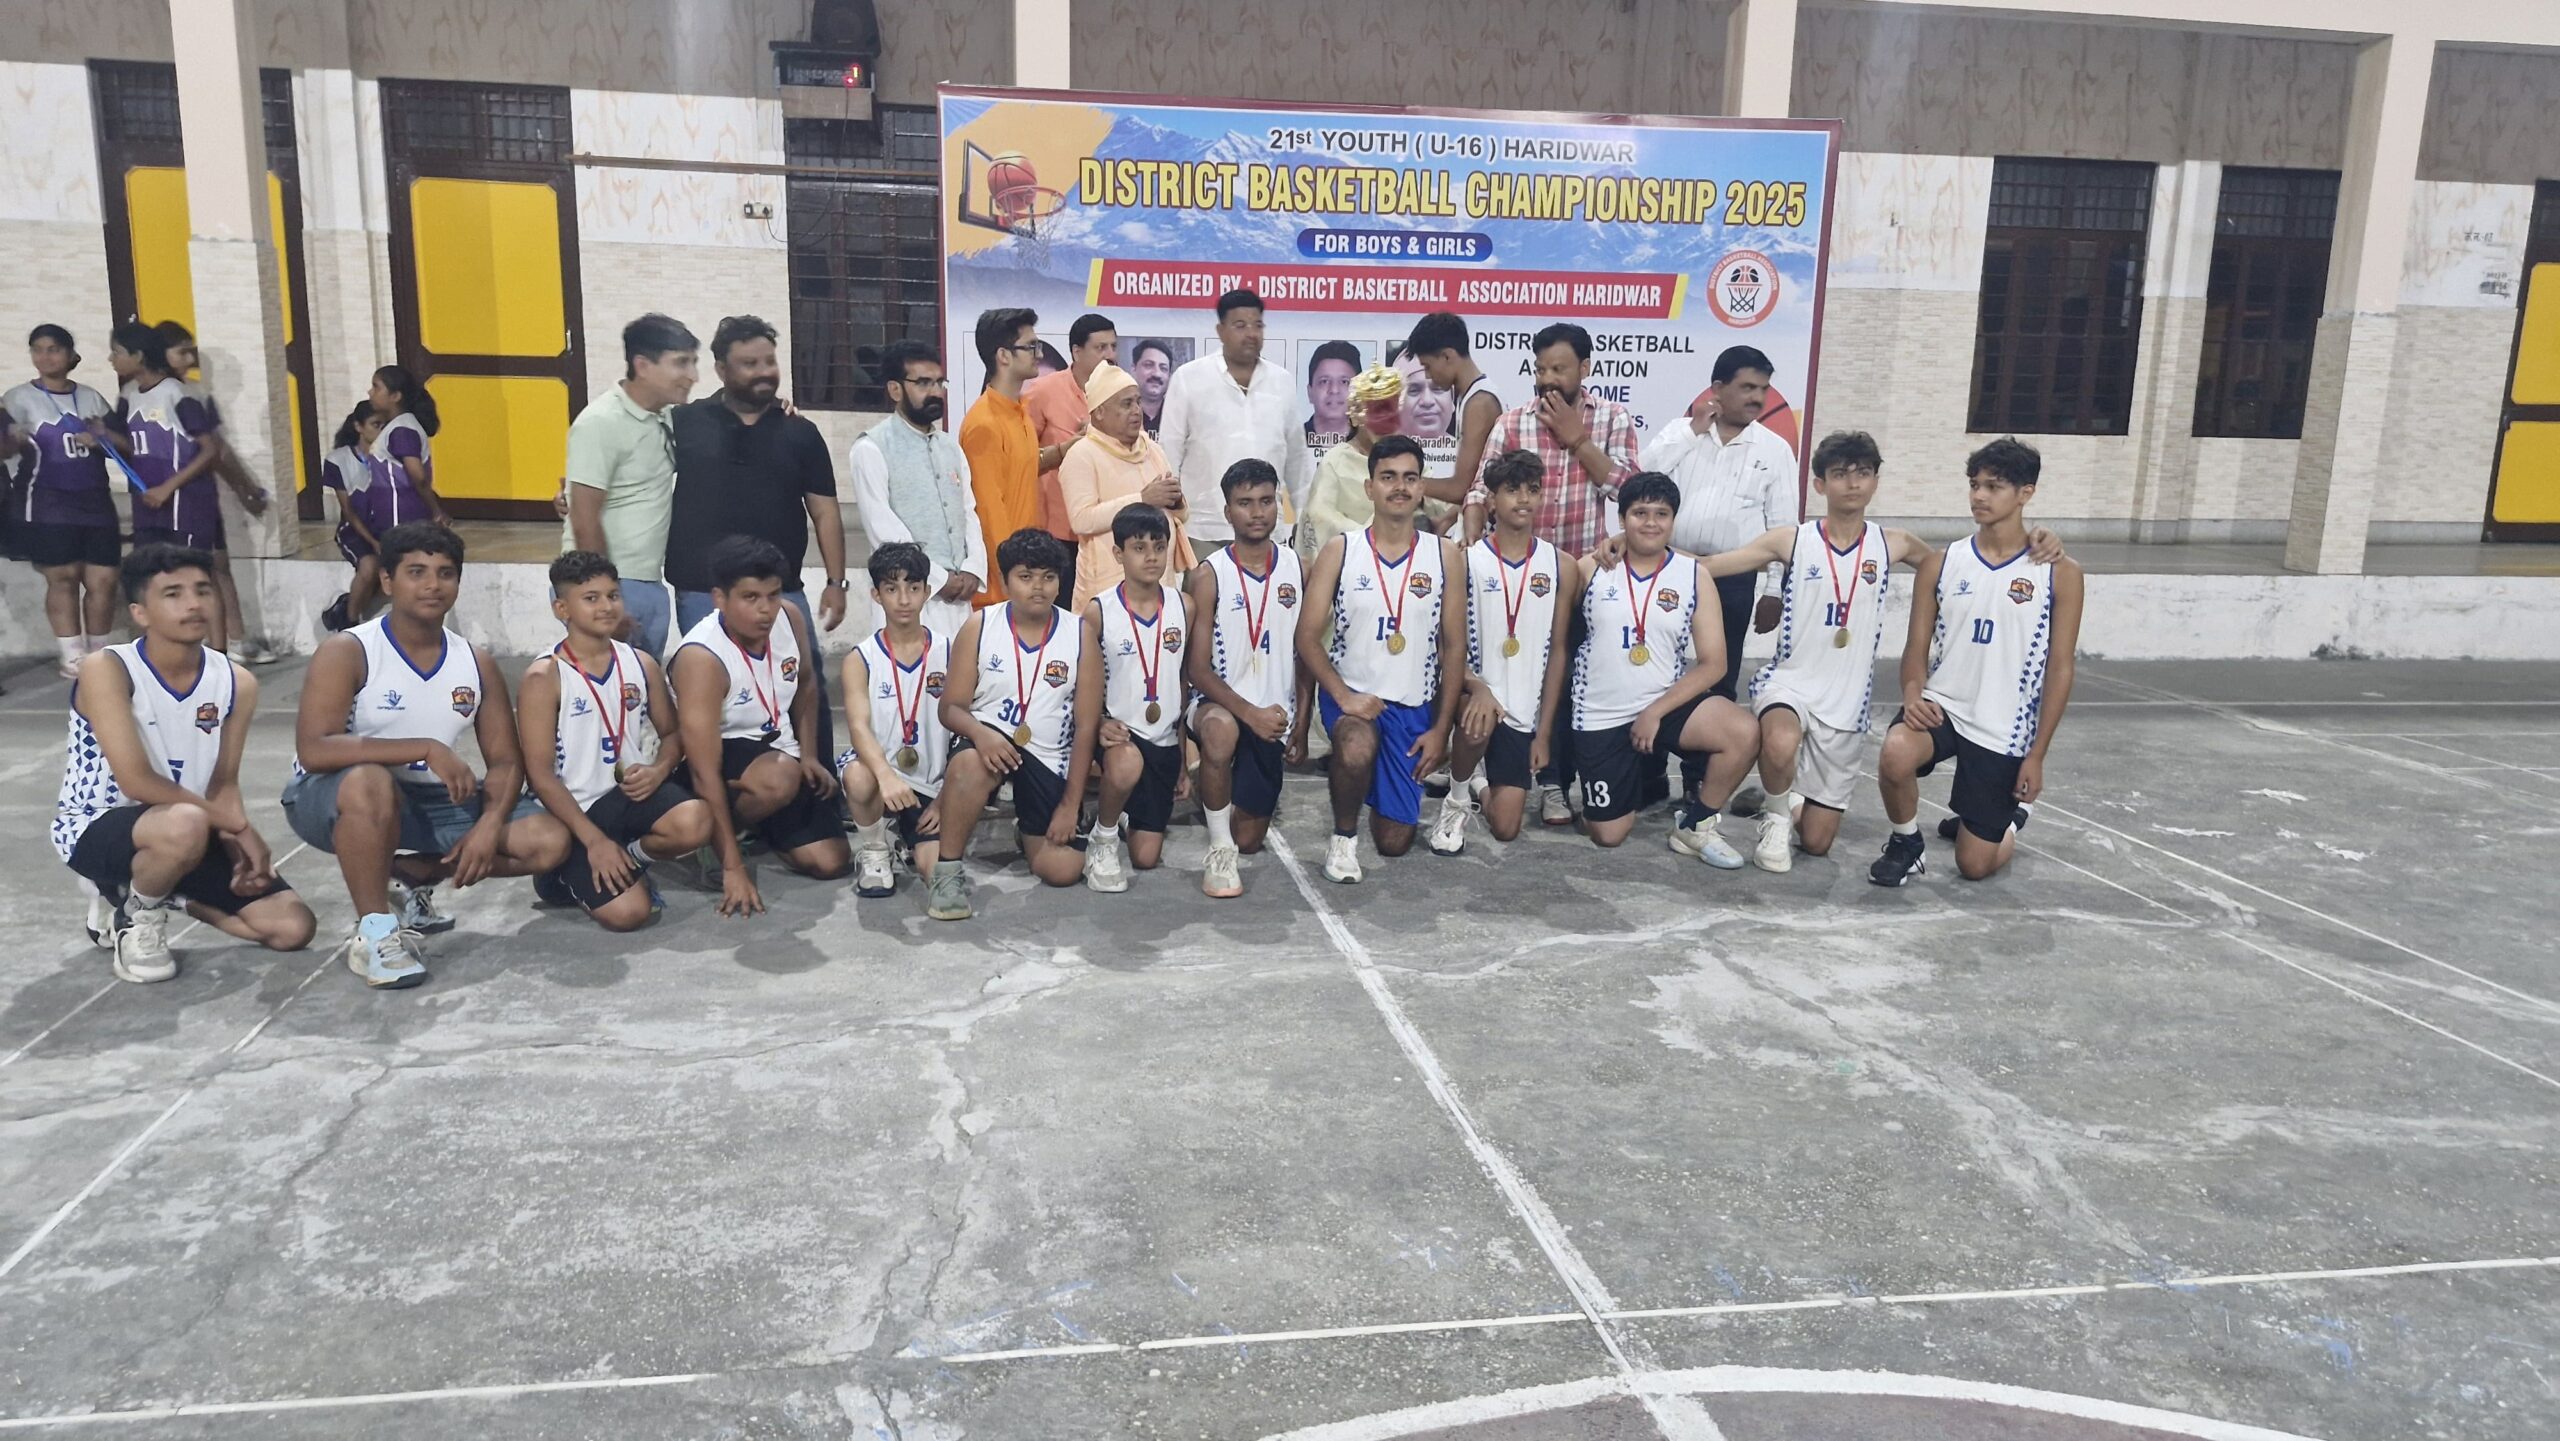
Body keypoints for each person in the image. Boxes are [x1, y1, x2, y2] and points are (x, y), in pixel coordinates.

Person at [1706, 431, 2065, 871]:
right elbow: (1711, 565)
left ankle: (1786, 797)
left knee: (1822, 842)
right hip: (1797, 685)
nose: (1852, 483)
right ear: (1819, 484)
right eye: (1840, 474)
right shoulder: (1794, 539)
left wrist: (2040, 537)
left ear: (1876, 481)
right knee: (1788, 741)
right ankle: (1788, 815)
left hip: (1856, 707)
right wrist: (1647, 553)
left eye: (1862, 473)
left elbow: (1972, 573)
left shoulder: (1897, 544)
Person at [285, 523, 569, 989]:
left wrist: (489, 825)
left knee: (548, 841)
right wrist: (425, 747)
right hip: (329, 798)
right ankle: (375, 935)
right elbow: (315, 749)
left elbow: (505, 761)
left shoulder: (474, 661)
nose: (433, 585)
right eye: (416, 572)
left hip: (427, 798)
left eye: (445, 573)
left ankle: (414, 873)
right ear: (387, 581)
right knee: (370, 781)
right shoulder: (349, 650)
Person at [55, 545, 315, 983]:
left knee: (292, 928)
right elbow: (136, 781)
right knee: (185, 822)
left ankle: (161, 894)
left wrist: (231, 838)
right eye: (173, 594)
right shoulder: (107, 668)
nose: (194, 604)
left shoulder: (236, 682)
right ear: (140, 612)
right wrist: (239, 829)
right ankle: (137, 916)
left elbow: (223, 785)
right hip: (95, 824)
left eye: (203, 591)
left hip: (189, 827)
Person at [1872, 438, 2085, 886]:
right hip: (1944, 706)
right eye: (1974, 485)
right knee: (1895, 751)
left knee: (1974, 866)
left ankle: (2011, 820)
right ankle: (1906, 842)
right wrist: (1912, 694)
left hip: (2003, 726)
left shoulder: (2060, 573)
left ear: (2026, 493)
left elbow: (2060, 668)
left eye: (1993, 486)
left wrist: (2037, 755)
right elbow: (1915, 647)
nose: (1979, 496)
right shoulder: (1941, 563)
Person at [666, 314, 846, 763]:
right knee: (715, 688)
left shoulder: (800, 431)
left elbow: (824, 510)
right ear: (721, 369)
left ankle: (819, 781)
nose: (764, 372)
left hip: (780, 591)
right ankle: (723, 786)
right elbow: (633, 474)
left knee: (805, 683)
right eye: (750, 363)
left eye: (769, 361)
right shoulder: (684, 423)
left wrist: (836, 582)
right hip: (702, 590)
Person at [1297, 435, 1467, 883]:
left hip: (1412, 706)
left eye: (1410, 478)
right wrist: (1343, 697)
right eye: (1388, 477)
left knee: (1394, 843)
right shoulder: (1341, 550)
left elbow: (1454, 647)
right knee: (1355, 745)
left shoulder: (1445, 556)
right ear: (1369, 487)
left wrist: (1441, 730)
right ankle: (1343, 838)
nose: (1400, 487)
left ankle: (1374, 775)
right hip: (1352, 698)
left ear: (1421, 488)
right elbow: (1307, 638)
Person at [1568, 473, 1761, 856]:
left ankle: (1696, 824)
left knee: (1743, 731)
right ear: (1622, 519)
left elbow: (1714, 664)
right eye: (1640, 513)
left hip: (1663, 702)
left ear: (1673, 519)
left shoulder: (1693, 575)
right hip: (1600, 712)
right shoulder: (1590, 569)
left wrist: (1655, 711)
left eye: (1662, 513)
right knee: (1608, 834)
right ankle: (1627, 785)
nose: (1651, 522)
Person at [518, 551, 710, 931]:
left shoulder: (641, 663)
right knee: (629, 915)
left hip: (626, 796)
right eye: (591, 598)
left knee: (697, 821)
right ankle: (557, 876)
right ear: (562, 609)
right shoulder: (545, 677)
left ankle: (632, 856)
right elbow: (540, 775)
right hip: (572, 811)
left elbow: (673, 734)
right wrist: (594, 841)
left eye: (613, 595)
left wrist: (659, 770)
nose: (607, 606)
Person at [671, 535, 852, 916]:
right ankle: (715, 840)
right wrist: (733, 868)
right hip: (720, 759)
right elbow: (702, 770)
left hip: (779, 755)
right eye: (750, 598)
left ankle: (758, 823)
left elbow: (806, 685)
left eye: (772, 595)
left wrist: (810, 755)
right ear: (720, 598)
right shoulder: (702, 658)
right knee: (779, 778)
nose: (765, 609)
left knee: (831, 861)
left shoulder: (790, 616)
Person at [929, 529, 1101, 919]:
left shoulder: (1079, 634)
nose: (1038, 587)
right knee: (970, 764)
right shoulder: (980, 625)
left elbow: (1086, 728)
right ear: (1005, 582)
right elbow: (951, 708)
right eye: (1026, 577)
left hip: (1049, 754)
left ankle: (1028, 831)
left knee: (1063, 871)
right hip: (991, 741)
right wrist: (980, 734)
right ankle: (947, 872)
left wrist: (1070, 806)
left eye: (1048, 577)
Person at [1434, 450, 1577, 855]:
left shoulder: (1561, 566)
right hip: (1473, 696)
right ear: (1492, 500)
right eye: (1512, 490)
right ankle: (1456, 799)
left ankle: (1476, 779)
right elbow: (1445, 646)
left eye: (1532, 489)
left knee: (1506, 827)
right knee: (1478, 719)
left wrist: (1543, 734)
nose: (1523, 499)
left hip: (1522, 711)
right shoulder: (1466, 561)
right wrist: (1476, 686)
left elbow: (1558, 652)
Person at [1184, 459, 1306, 900]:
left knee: (1250, 839)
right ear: (1227, 511)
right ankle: (1220, 850)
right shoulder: (1208, 574)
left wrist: (1302, 724)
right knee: (1221, 732)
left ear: (1278, 505)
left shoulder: (1298, 567)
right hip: (1218, 705)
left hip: (1273, 718)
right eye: (1245, 503)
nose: (1257, 512)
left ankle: (1210, 783)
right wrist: (1249, 713)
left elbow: (1305, 655)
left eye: (1266, 501)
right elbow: (1197, 670)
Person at [111, 322, 268, 660]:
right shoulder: (128, 396)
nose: (112, 359)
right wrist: (101, 435)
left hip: (186, 502)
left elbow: (211, 448)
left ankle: (221, 652)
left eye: (118, 353)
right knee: (151, 574)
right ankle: (163, 649)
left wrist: (242, 488)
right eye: (182, 351)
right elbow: (130, 445)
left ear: (140, 355)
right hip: (149, 503)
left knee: (201, 573)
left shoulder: (181, 394)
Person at [566, 314, 698, 656]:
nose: (693, 376)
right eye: (681, 363)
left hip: (647, 580)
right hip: (614, 581)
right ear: (642, 365)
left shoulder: (663, 415)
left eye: (693, 363)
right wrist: (604, 598)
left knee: (641, 684)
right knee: (607, 684)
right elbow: (584, 519)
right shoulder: (600, 422)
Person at [837, 542, 954, 900]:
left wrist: (947, 798)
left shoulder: (950, 651)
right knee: (857, 775)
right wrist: (886, 777)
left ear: (927, 592)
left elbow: (965, 730)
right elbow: (858, 727)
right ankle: (874, 848)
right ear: (876, 595)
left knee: (937, 877)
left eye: (913, 587)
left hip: (933, 785)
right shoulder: (861, 658)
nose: (904, 599)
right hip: (880, 779)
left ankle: (904, 839)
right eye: (891, 588)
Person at [1081, 503, 1188, 893]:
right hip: (1120, 737)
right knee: (1126, 763)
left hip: (1163, 740)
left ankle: (1122, 811)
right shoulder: (1099, 612)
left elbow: (1183, 683)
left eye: (1159, 547)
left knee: (1146, 857)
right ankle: (1103, 837)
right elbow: (1082, 685)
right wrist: (1099, 724)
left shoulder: (1184, 606)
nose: (1151, 557)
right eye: (1139, 548)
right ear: (1118, 554)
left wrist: (1182, 757)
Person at [846, 340, 987, 635]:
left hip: (959, 598)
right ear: (895, 389)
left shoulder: (950, 446)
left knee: (963, 664)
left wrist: (973, 569)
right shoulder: (871, 448)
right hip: (908, 599)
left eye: (939, 382)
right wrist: (937, 578)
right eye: (923, 383)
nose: (935, 392)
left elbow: (968, 512)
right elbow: (882, 529)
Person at [7, 325, 123, 678]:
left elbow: (122, 445)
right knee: (63, 578)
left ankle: (99, 654)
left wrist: (102, 439)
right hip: (47, 502)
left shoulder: (90, 397)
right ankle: (72, 655)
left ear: (71, 355)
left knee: (104, 580)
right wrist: (12, 438)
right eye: (38, 349)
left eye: (54, 349)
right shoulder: (16, 399)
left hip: (96, 502)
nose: (45, 357)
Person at [1158, 290, 1313, 548]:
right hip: (1204, 531)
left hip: (1267, 533)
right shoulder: (1189, 378)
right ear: (1220, 331)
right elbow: (1168, 455)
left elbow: (1297, 461)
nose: (1251, 333)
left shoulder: (1281, 381)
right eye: (1240, 325)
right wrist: (1167, 524)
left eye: (1257, 325)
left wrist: (1306, 523)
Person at [1479, 323, 1637, 558]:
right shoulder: (1511, 423)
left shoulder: (1613, 417)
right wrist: (1473, 523)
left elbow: (1630, 493)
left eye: (1558, 370)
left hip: (1587, 564)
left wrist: (1580, 442)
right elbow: (1480, 491)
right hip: (1519, 564)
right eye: (1540, 370)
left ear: (1584, 368)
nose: (1547, 380)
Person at [1058, 361, 1193, 611]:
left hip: (1159, 584)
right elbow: (1081, 520)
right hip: (1107, 592)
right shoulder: (1082, 455)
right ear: (1099, 411)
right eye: (1126, 404)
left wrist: (1176, 502)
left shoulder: (1152, 449)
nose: (1137, 411)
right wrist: (1142, 499)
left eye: (1138, 402)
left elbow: (1181, 516)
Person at [960, 307, 1066, 607]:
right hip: (1002, 591)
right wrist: (1011, 582)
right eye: (1031, 346)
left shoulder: (1019, 412)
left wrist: (1066, 449)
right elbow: (989, 513)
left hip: (1024, 576)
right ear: (1003, 356)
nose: (1039, 354)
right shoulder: (984, 423)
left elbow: (1022, 468)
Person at [1024, 312, 1118, 598]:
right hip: (1056, 530)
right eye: (1101, 348)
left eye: (1113, 347)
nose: (1110, 355)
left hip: (1106, 529)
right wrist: (1068, 449)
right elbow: (1023, 458)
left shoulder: (1121, 391)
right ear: (1077, 352)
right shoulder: (1043, 391)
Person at [1298, 364, 1404, 564]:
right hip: (1350, 561)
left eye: (1390, 414)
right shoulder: (1336, 461)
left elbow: (1434, 504)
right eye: (1377, 414)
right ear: (1356, 417)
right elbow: (1319, 515)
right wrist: (1369, 538)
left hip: (1404, 559)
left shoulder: (1407, 459)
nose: (1384, 424)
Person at [1404, 313, 1504, 525]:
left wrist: (1405, 483)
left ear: (1447, 356)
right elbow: (1476, 483)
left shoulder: (1480, 404)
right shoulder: (1468, 396)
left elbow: (1461, 488)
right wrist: (1447, 519)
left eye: (1428, 367)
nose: (1428, 376)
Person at [318, 402, 387, 633]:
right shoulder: (338, 460)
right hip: (354, 529)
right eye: (376, 425)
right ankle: (349, 624)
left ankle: (345, 605)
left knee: (393, 575)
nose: (381, 431)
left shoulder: (389, 456)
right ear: (359, 427)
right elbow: (348, 510)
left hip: (386, 527)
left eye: (384, 425)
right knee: (369, 566)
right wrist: (373, 542)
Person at [369, 364, 451, 526]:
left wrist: (436, 511)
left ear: (395, 396)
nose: (370, 392)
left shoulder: (403, 431)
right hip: (391, 512)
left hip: (401, 514)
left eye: (376, 387)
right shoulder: (396, 426)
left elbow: (419, 477)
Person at [1302, 339, 1362, 449]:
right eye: (1324, 381)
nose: (1334, 390)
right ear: (1310, 392)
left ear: (1358, 391)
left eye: (1344, 382)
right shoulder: (1294, 440)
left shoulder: (1369, 442)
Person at [1129, 338, 1176, 434]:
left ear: (1169, 376)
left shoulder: (1178, 416)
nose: (1156, 374)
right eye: (1149, 365)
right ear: (1133, 369)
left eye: (1163, 368)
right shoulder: (1119, 415)